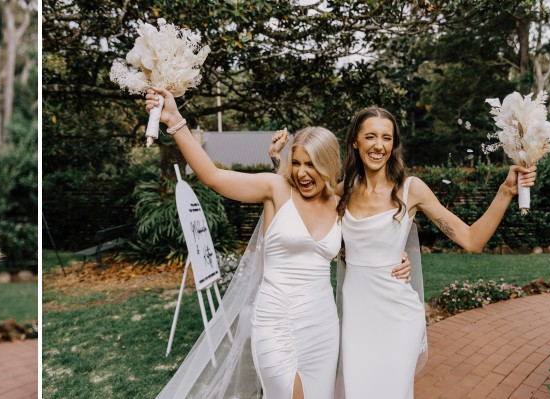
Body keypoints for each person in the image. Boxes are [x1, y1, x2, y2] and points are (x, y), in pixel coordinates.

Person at [145, 88, 410, 399]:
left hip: (322, 326)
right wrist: (174, 119)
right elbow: (213, 176)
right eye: (296, 163)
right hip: (275, 322)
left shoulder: (340, 200)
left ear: (328, 165)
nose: (301, 173)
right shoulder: (275, 189)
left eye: (311, 165)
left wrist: (397, 257)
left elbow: (370, 232)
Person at [334, 107, 536, 398]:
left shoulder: (410, 189)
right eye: (370, 136)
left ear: (394, 145)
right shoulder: (344, 191)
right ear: (355, 141)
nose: (379, 145)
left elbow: (470, 239)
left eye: (387, 138)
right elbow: (301, 205)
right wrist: (279, 162)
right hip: (356, 316)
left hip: (397, 317)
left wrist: (505, 192)